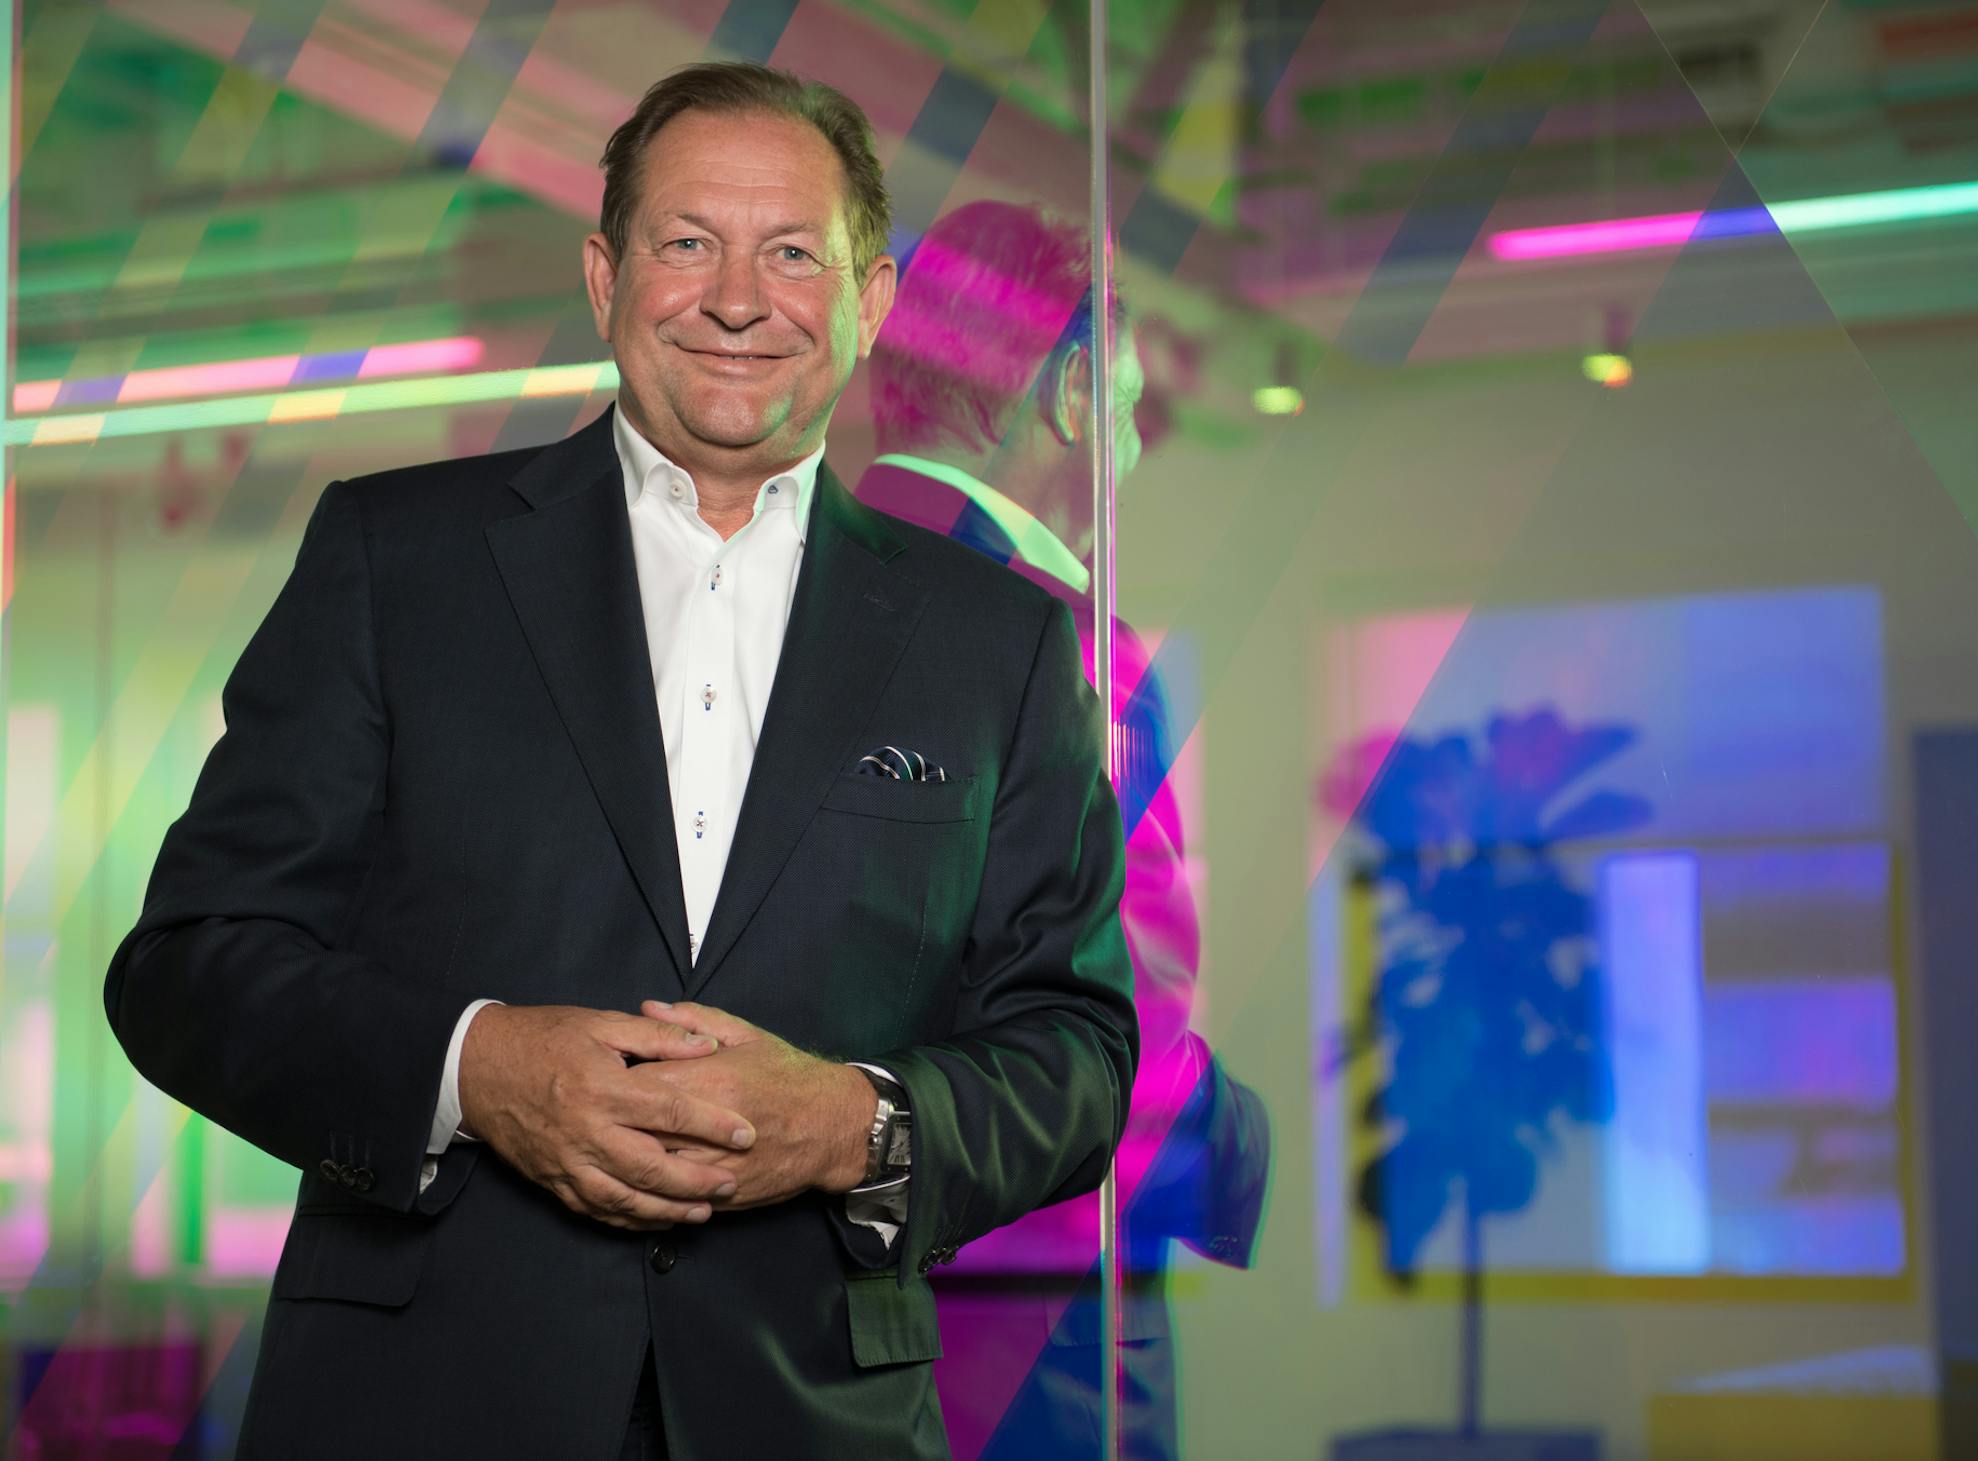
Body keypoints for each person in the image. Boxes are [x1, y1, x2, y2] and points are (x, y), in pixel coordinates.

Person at [103, 64, 1136, 1461]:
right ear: (604, 276)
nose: (734, 297)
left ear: (871, 299)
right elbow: (189, 965)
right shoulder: (395, 562)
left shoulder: (999, 646)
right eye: (686, 242)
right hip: (419, 1412)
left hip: (815, 1418)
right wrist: (476, 1071)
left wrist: (851, 1122)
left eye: (790, 253)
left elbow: (1076, 1047)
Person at [858, 200, 1270, 1461]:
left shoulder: (788, 604)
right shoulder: (1068, 652)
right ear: (1075, 389)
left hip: (822, 1300)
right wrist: (1231, 1141)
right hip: (1039, 1310)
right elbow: (1117, 1030)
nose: (1132, 449)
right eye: (1134, 408)